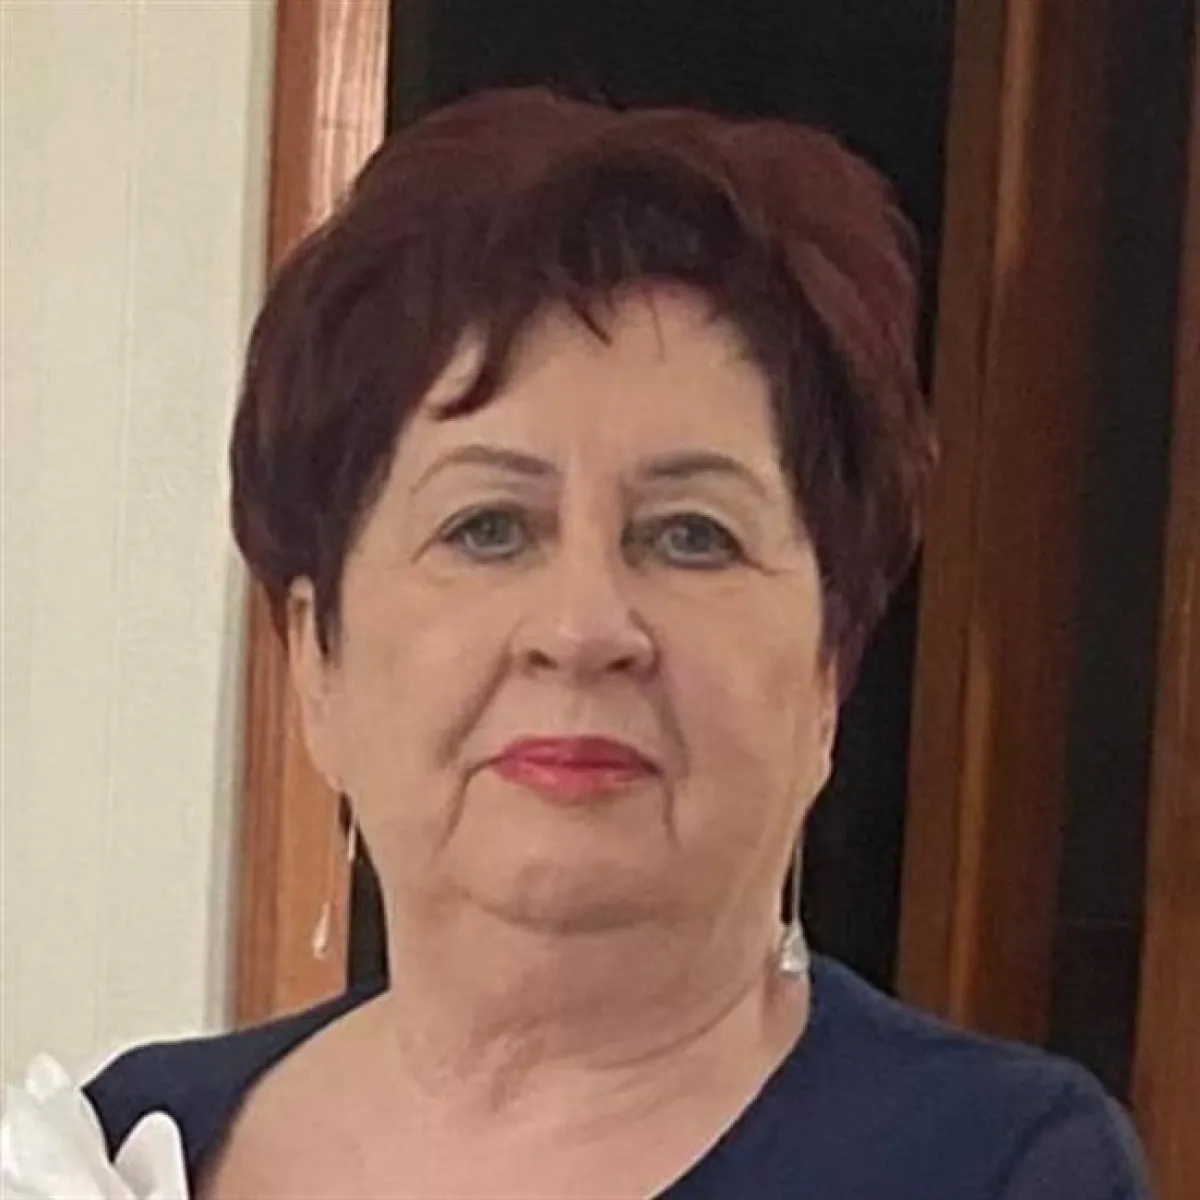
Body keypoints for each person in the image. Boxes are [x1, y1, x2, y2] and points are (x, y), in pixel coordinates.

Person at [82, 89, 1147, 1198]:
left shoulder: (998, 1166)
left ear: (827, 673)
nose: (583, 629)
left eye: (691, 536)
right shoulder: (125, 1144)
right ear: (318, 662)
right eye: (488, 528)